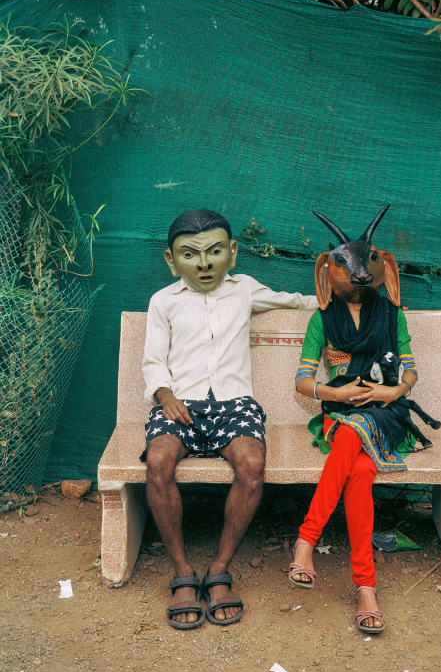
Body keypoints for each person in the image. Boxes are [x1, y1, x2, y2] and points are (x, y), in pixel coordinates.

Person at [142, 209, 317, 629]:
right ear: (172, 260)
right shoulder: (163, 301)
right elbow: (152, 361)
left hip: (234, 405)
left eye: (215, 251)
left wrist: (352, 299)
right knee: (158, 461)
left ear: (232, 253)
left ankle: (219, 570)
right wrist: (165, 395)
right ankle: (183, 572)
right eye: (190, 254)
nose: (204, 263)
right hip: (178, 403)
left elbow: (299, 302)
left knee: (252, 465)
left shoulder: (245, 291)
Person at [288, 209, 418, 635]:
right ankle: (366, 588)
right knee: (358, 469)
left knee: (351, 436)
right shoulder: (321, 320)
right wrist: (338, 393)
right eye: (345, 266)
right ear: (328, 271)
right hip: (341, 414)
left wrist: (392, 391)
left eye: (367, 266)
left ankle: (306, 541)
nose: (358, 277)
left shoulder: (393, 315)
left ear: (384, 269)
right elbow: (304, 382)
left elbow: (409, 370)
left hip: (386, 415)